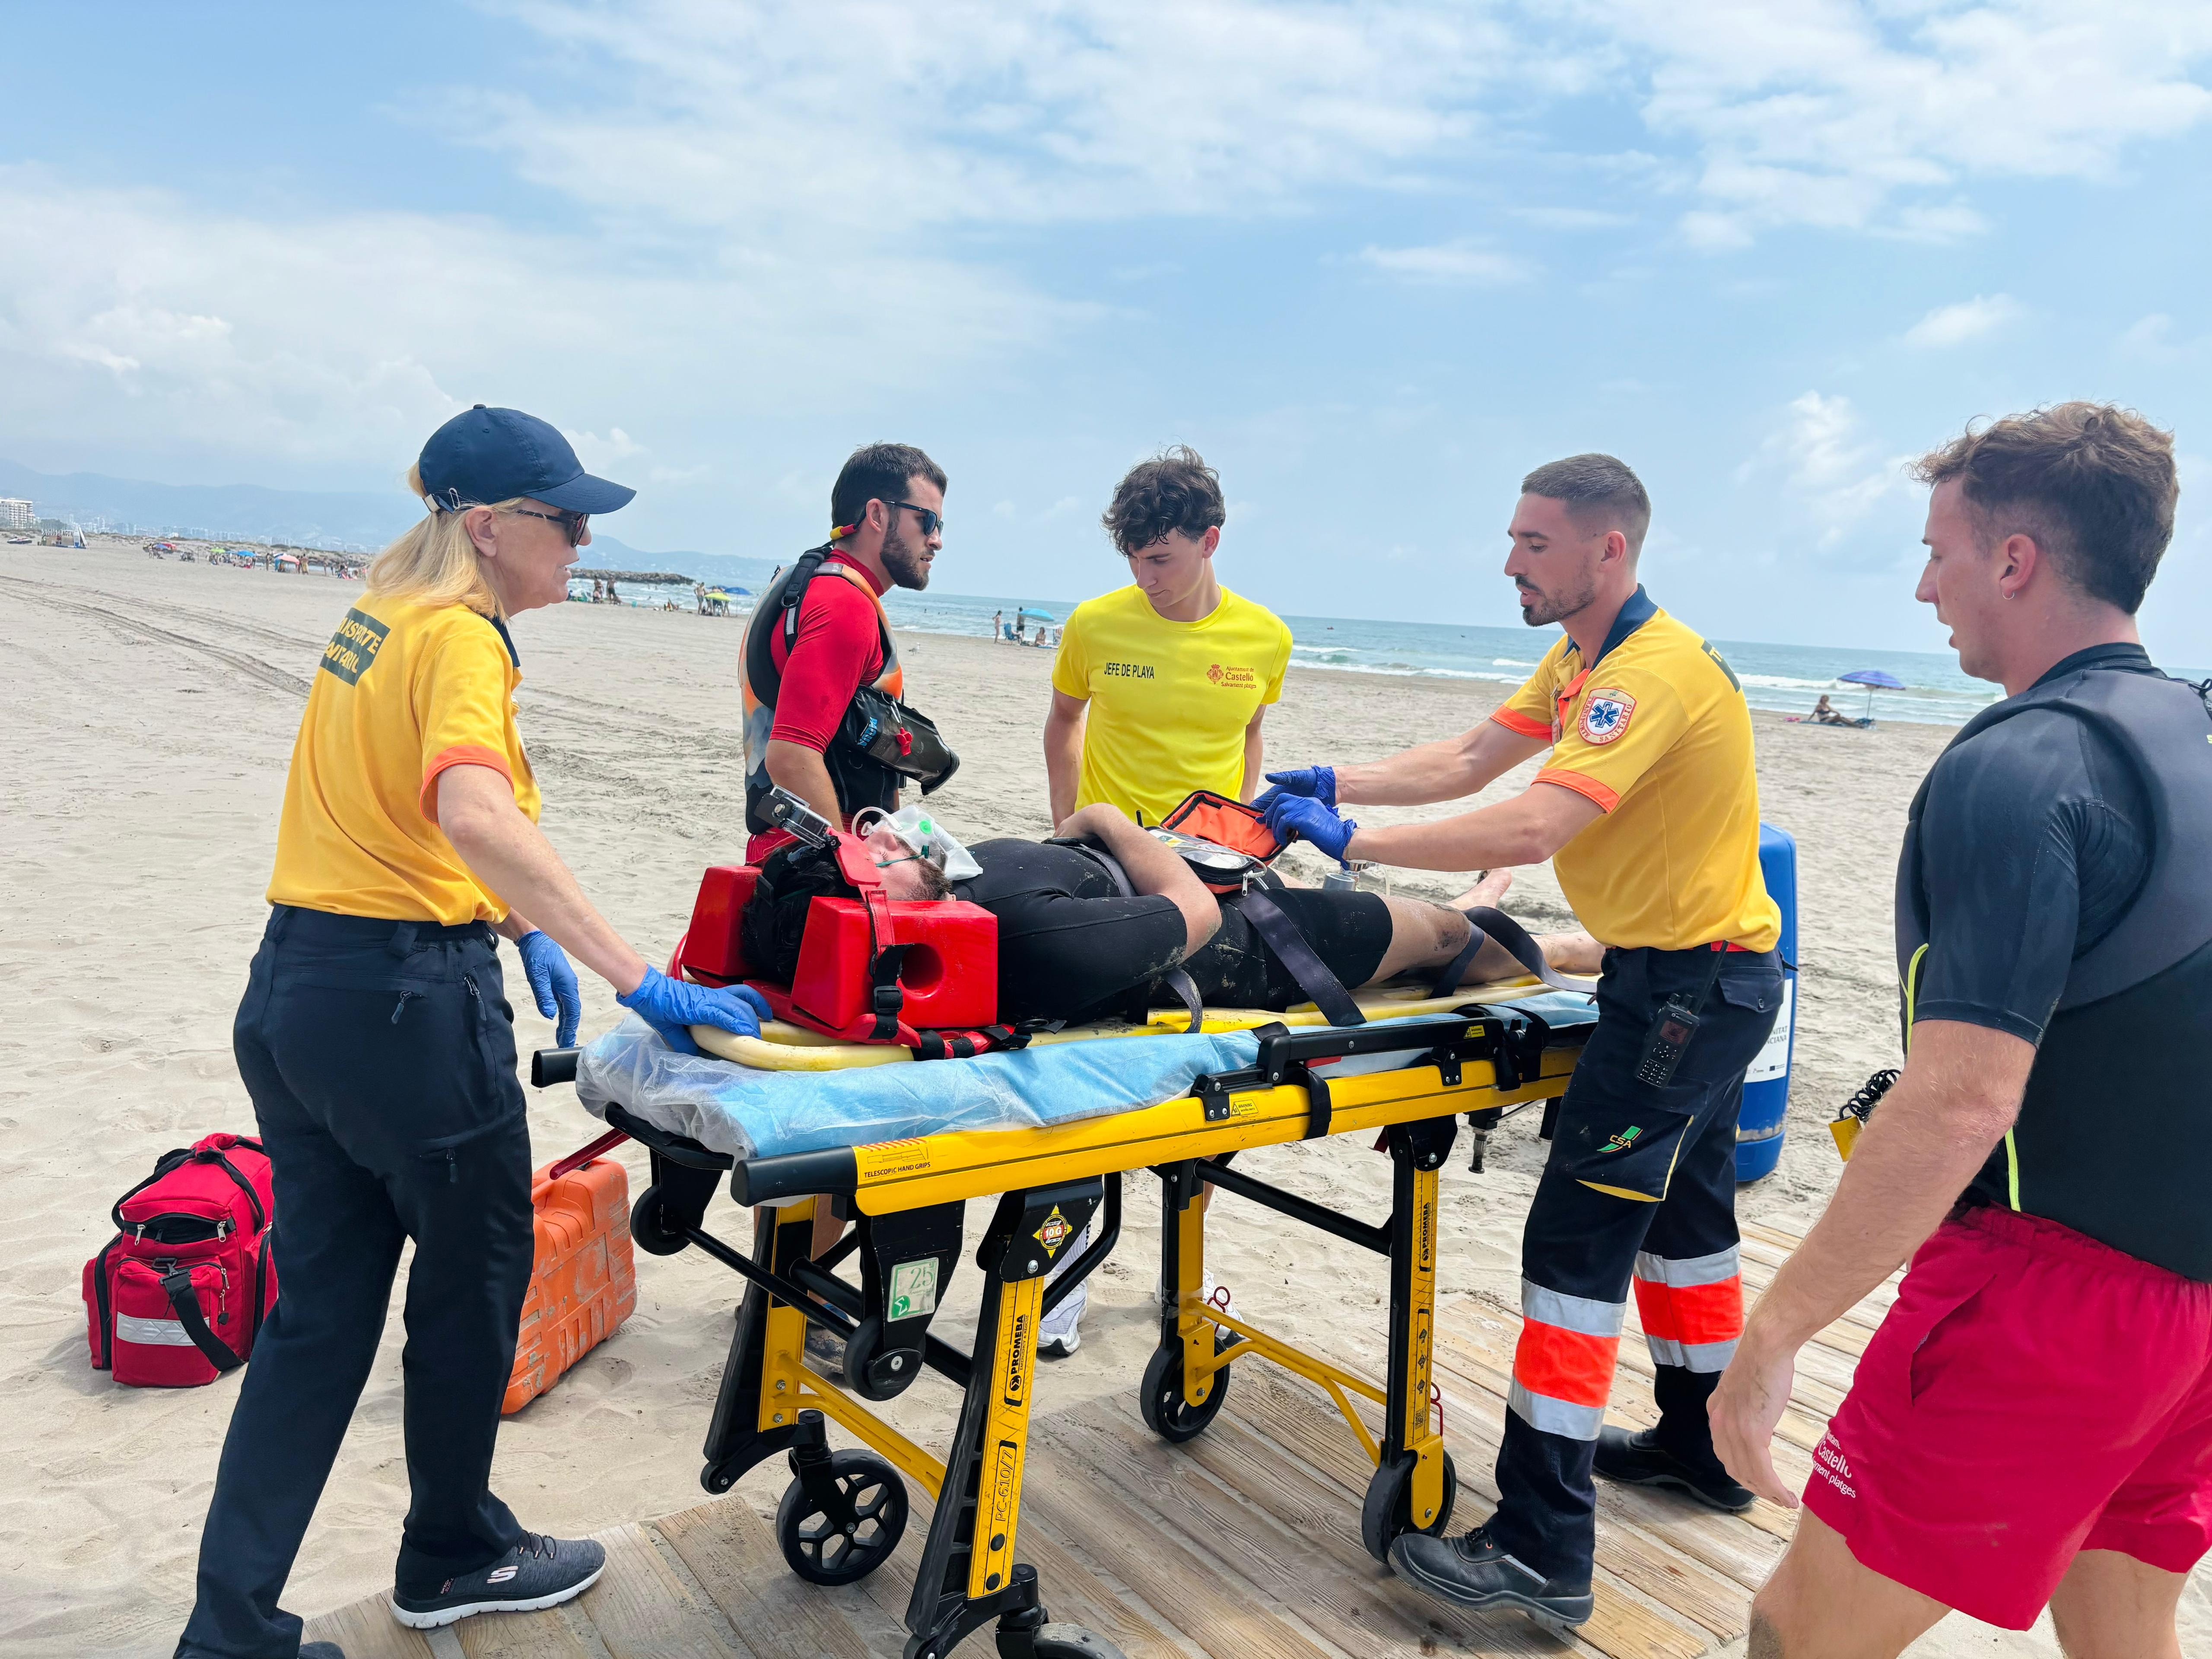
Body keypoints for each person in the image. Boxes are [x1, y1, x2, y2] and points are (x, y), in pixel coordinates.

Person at [175, 407, 771, 1659]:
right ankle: (451, 1550)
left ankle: (230, 1629)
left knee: (322, 1314)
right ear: (490, 528)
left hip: (297, 989)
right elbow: (471, 808)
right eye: (566, 517)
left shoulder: (377, 618)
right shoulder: (460, 638)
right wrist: (633, 976)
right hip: (403, 1007)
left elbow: (391, 812)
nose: (586, 538)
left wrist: (513, 925)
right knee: (473, 1276)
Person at [1708, 405, 2211, 1657]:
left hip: (2053, 1295)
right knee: (2122, 1623)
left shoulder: (2024, 767)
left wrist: (1774, 1333)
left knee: (1801, 1632)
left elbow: (1960, 1102)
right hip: (2198, 1311)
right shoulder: (2195, 730)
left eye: (1939, 550)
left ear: (2016, 560)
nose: (1923, 583)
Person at [1261, 453, 1783, 1624]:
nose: (1509, 562)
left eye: (1535, 545)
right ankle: (1705, 1448)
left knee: (1576, 1248)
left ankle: (1546, 1547)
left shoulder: (1645, 675)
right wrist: (1332, 780)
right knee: (1690, 1225)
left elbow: (1538, 822)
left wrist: (1352, 842)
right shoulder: (1583, 656)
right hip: (1706, 978)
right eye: (1513, 539)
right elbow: (1465, 762)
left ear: (1611, 550)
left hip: (1689, 996)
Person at [1045, 447, 1294, 830]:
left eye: (1160, 560)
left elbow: (1250, 731)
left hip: (1208, 850)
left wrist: (1240, 817)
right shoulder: (1092, 624)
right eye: (1134, 557)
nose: (1144, 579)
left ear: (1209, 542)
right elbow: (1065, 717)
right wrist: (1065, 822)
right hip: (1108, 845)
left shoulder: (1270, 637)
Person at [740, 442, 947, 865]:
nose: (936, 540)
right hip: (810, 850)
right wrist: (846, 862)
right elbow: (791, 755)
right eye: (924, 520)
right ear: (877, 515)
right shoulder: (843, 602)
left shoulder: (811, 579)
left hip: (788, 841)